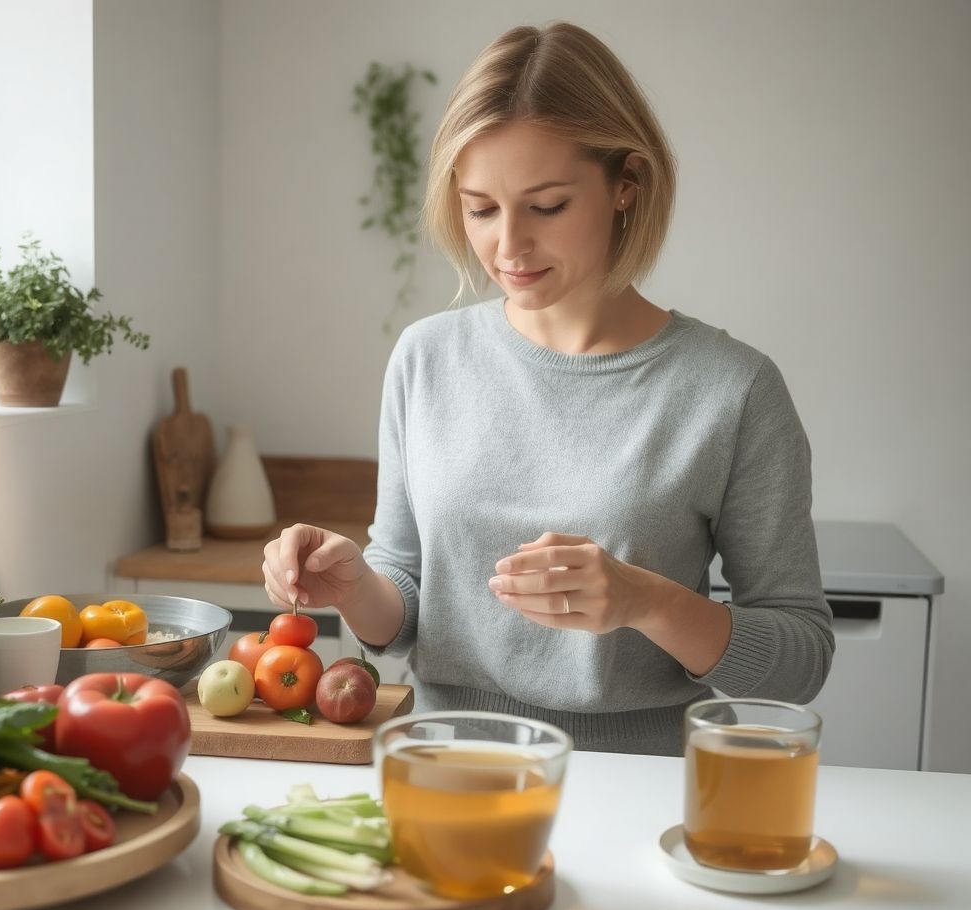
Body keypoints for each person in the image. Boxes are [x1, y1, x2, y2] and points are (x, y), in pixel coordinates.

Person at [261, 22, 833, 755]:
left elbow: (801, 660)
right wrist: (352, 586)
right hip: (441, 767)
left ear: (627, 184)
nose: (508, 246)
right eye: (481, 208)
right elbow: (402, 606)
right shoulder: (426, 357)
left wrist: (644, 600)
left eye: (548, 205)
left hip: (637, 781)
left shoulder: (732, 389)